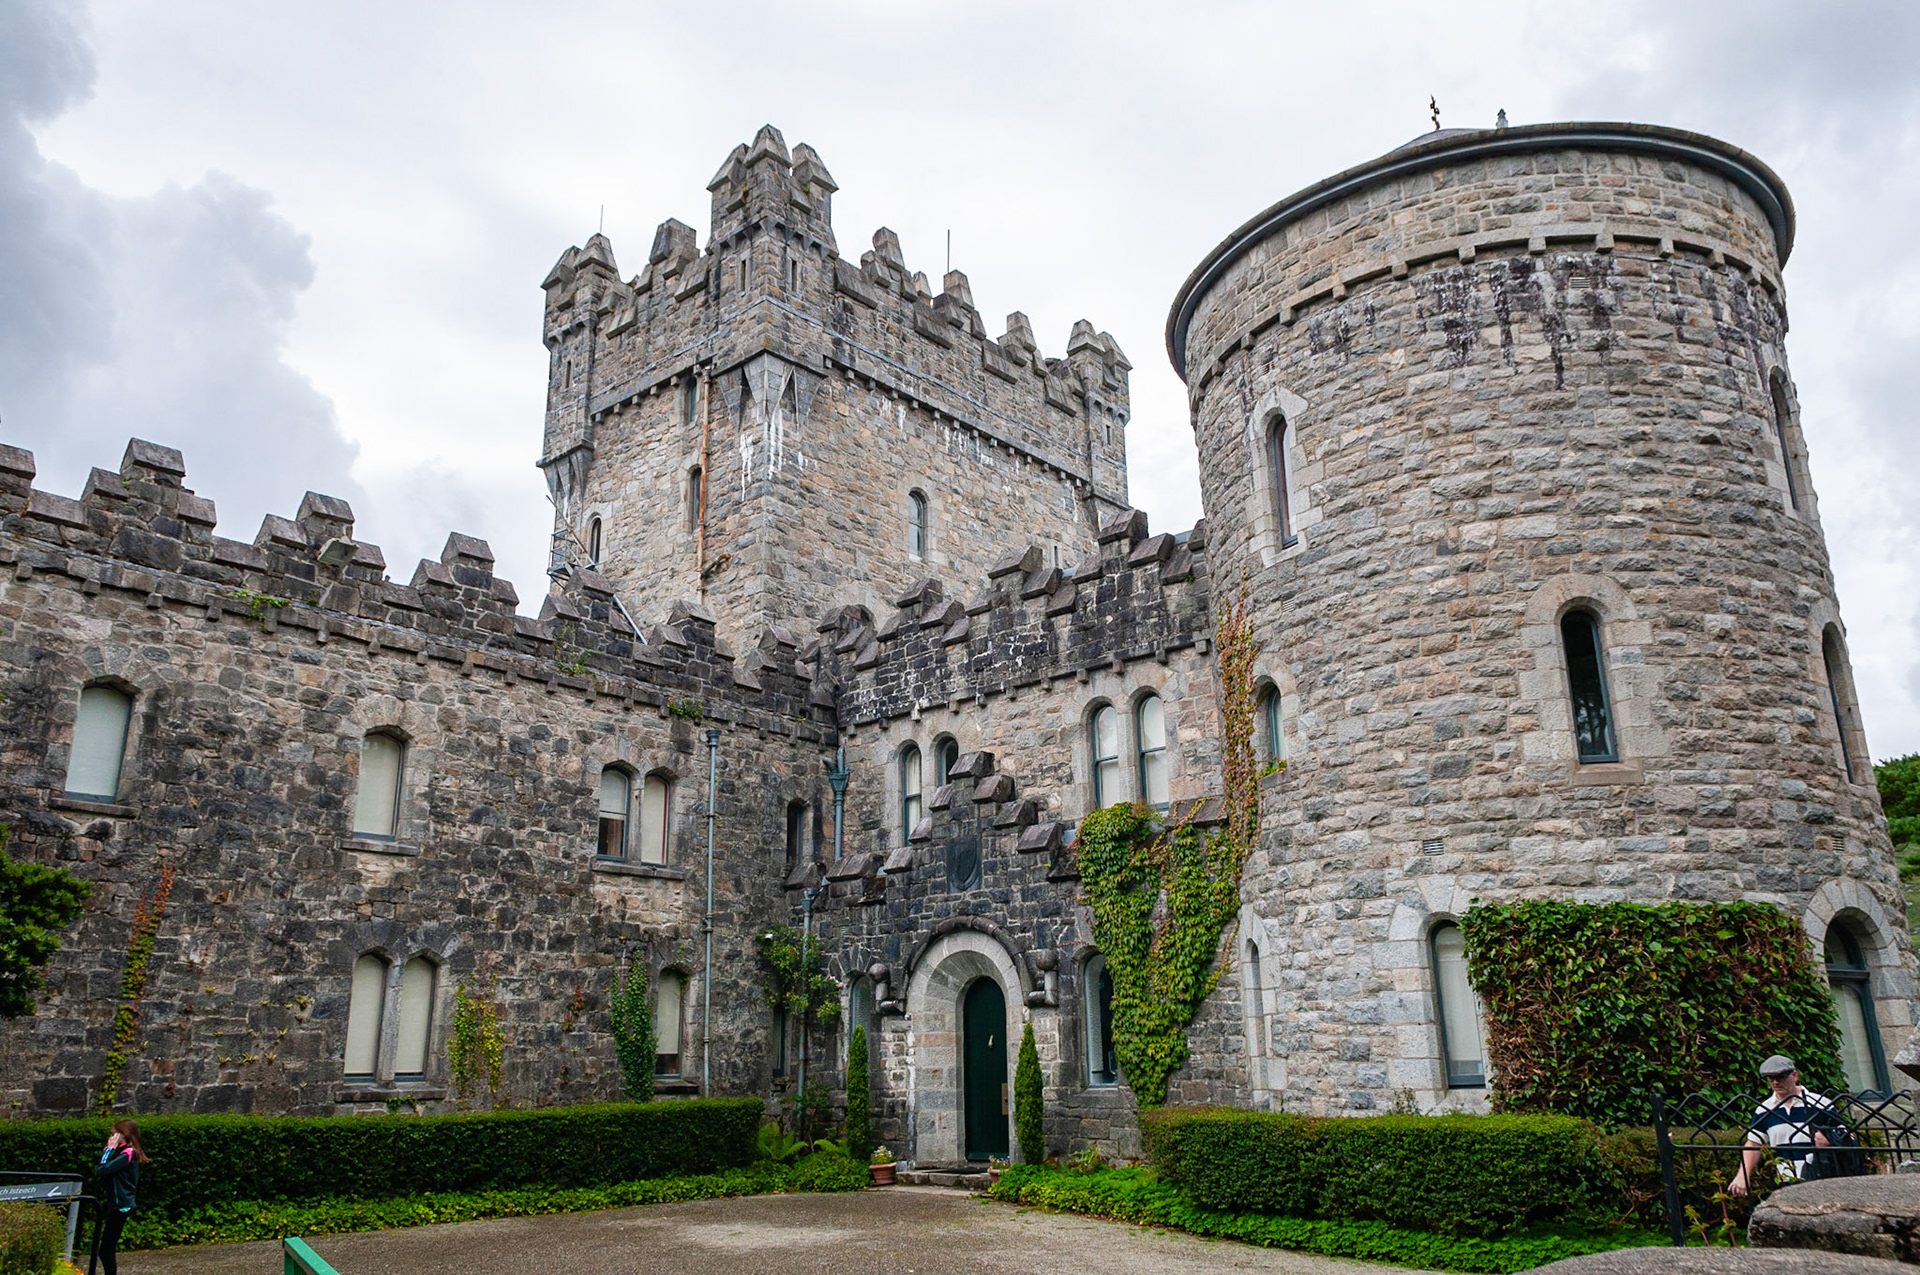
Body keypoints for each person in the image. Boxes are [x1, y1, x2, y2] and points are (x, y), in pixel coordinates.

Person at [1729, 1055, 1833, 1195]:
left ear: (1794, 1076)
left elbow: (1847, 1137)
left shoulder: (1820, 1104)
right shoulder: (1764, 1110)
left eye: (1781, 1077)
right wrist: (1742, 1176)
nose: (1776, 1082)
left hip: (1822, 1179)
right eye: (1771, 1078)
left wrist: (1829, 1140)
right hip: (1786, 1184)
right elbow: (1753, 1144)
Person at [94, 1118, 147, 1275]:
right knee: (106, 1249)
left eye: (114, 1134)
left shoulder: (128, 1154)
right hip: (117, 1204)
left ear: (124, 1135)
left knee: (106, 1250)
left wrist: (109, 1150)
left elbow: (102, 1170)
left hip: (121, 1206)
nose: (111, 1138)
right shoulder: (124, 1153)